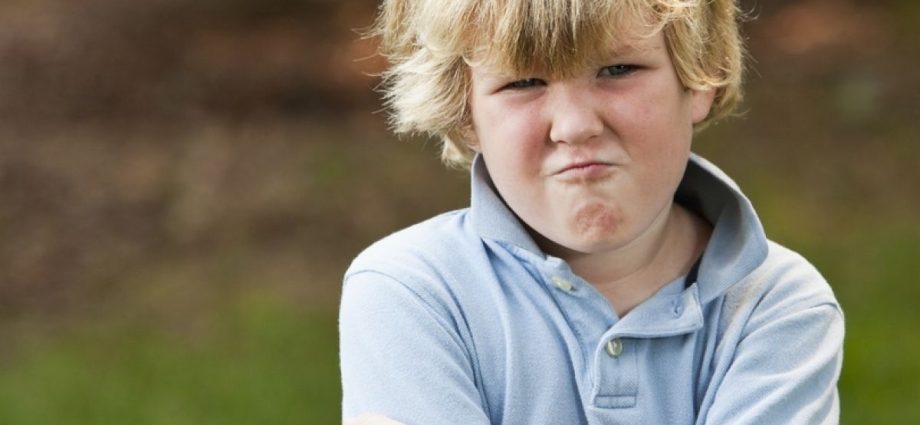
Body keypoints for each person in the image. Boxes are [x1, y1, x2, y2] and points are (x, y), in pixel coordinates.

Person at [339, 0, 844, 423]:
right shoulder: (413, 293)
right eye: (523, 82)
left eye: (617, 70)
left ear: (698, 80)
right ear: (465, 113)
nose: (575, 126)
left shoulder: (775, 305)